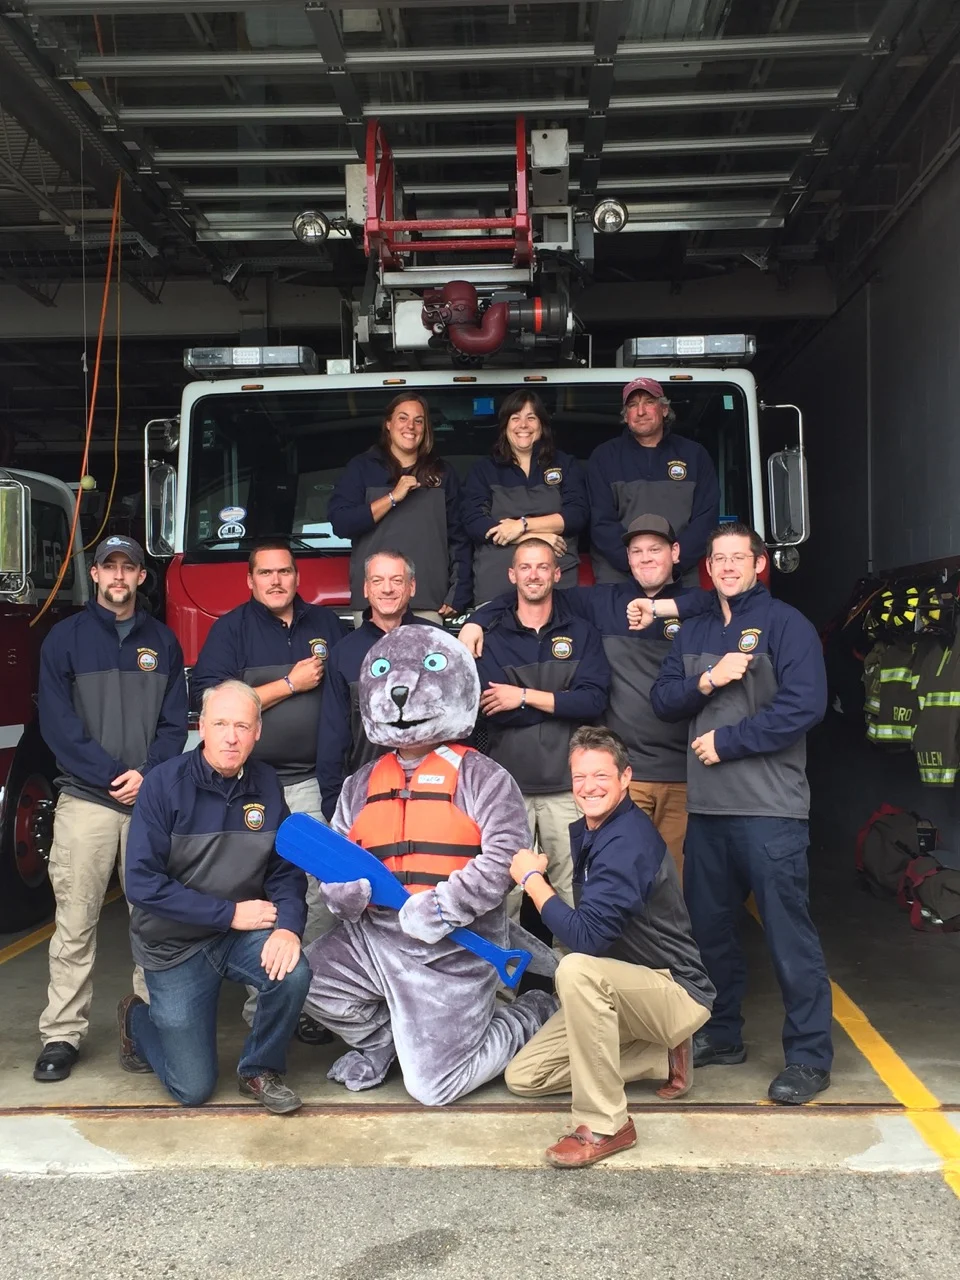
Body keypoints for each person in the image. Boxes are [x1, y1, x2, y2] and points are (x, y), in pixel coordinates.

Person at [303, 626, 557, 1106]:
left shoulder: (483, 777)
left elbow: (507, 855)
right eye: (384, 675)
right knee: (302, 976)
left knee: (434, 1088)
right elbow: (333, 856)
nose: (401, 691)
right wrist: (341, 893)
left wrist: (444, 907)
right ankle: (382, 1044)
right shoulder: (360, 784)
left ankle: (533, 1012)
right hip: (372, 937)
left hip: (451, 948)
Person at [650, 522, 832, 1105]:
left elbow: (805, 705)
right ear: (708, 568)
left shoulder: (786, 625)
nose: (728, 567)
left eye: (739, 557)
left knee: (787, 934)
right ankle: (723, 1034)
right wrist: (708, 678)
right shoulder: (694, 630)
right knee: (710, 934)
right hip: (707, 809)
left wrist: (730, 742)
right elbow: (664, 701)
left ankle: (808, 1056)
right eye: (719, 559)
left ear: (759, 565)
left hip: (771, 809)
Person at [505, 727, 715, 1168]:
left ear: (625, 778)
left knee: (576, 968)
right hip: (623, 991)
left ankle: (605, 1124)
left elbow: (586, 938)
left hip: (673, 990)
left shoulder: (627, 840)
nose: (588, 787)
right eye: (579, 777)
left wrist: (532, 882)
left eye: (600, 775)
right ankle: (661, 1055)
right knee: (525, 1077)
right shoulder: (595, 829)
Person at [459, 513, 703, 875]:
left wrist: (659, 609)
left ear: (676, 552)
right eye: (637, 551)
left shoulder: (700, 608)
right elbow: (532, 590)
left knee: (674, 884)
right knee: (619, 880)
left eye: (656, 549)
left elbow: (726, 602)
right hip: (622, 773)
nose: (646, 557)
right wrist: (474, 621)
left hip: (682, 769)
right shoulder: (603, 603)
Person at [33, 535, 187, 1084]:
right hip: (86, 801)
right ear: (95, 575)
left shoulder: (164, 642)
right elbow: (58, 725)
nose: (119, 577)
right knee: (75, 922)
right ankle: (62, 1034)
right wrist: (110, 776)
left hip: (149, 803)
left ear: (142, 578)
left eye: (129, 568)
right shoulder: (64, 640)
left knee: (153, 922)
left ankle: (147, 1025)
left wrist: (148, 776)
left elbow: (175, 725)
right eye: (109, 568)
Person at [119, 680, 311, 1114]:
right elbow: (142, 883)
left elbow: (285, 869)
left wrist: (288, 927)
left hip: (236, 936)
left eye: (242, 725)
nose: (231, 736)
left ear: (257, 731)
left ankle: (259, 1069)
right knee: (193, 1089)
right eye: (220, 723)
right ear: (201, 726)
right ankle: (135, 1018)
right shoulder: (163, 785)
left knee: (293, 970)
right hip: (175, 945)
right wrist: (229, 914)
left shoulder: (265, 782)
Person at [191, 539, 347, 950]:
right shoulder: (231, 629)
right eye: (266, 572)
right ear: (250, 580)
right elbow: (207, 699)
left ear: (297, 577)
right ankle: (263, 1000)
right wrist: (289, 684)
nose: (276, 581)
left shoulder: (326, 626)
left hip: (314, 781)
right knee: (255, 887)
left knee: (320, 886)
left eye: (284, 572)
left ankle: (313, 994)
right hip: (250, 785)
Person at [474, 538, 610, 908]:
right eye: (526, 567)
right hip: (507, 792)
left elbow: (594, 701)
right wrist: (562, 700)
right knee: (505, 899)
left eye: (542, 567)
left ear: (555, 573)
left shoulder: (582, 633)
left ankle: (573, 969)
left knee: (573, 894)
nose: (534, 575)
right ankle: (511, 969)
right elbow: (490, 709)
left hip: (568, 790)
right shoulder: (491, 639)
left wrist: (522, 696)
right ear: (512, 574)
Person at [316, 550, 435, 822]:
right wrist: (335, 806)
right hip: (369, 796)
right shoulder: (344, 654)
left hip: (435, 793)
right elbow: (333, 738)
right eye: (378, 581)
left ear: (411, 587)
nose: (388, 589)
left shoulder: (437, 644)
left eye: (396, 580)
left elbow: (461, 724)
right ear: (366, 589)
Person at [328, 393, 471, 620]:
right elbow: (342, 524)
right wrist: (393, 497)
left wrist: (459, 592)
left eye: (418, 420)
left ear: (425, 428)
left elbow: (459, 539)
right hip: (374, 604)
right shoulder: (362, 468)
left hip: (427, 602)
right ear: (388, 424)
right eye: (403, 418)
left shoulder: (443, 473)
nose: (411, 426)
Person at [587, 376, 719, 585]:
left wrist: (672, 563)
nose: (640, 411)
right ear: (626, 415)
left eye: (649, 402)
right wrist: (637, 563)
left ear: (664, 409)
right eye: (632, 405)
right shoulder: (604, 457)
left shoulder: (695, 455)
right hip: (619, 578)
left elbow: (705, 519)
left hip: (680, 576)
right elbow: (600, 522)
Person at [462, 390, 588, 604]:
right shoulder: (484, 470)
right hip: (496, 584)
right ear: (505, 426)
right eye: (515, 418)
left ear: (542, 424)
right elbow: (475, 523)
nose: (523, 425)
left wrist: (522, 525)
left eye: (531, 417)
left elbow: (577, 515)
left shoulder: (565, 464)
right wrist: (538, 538)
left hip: (557, 584)